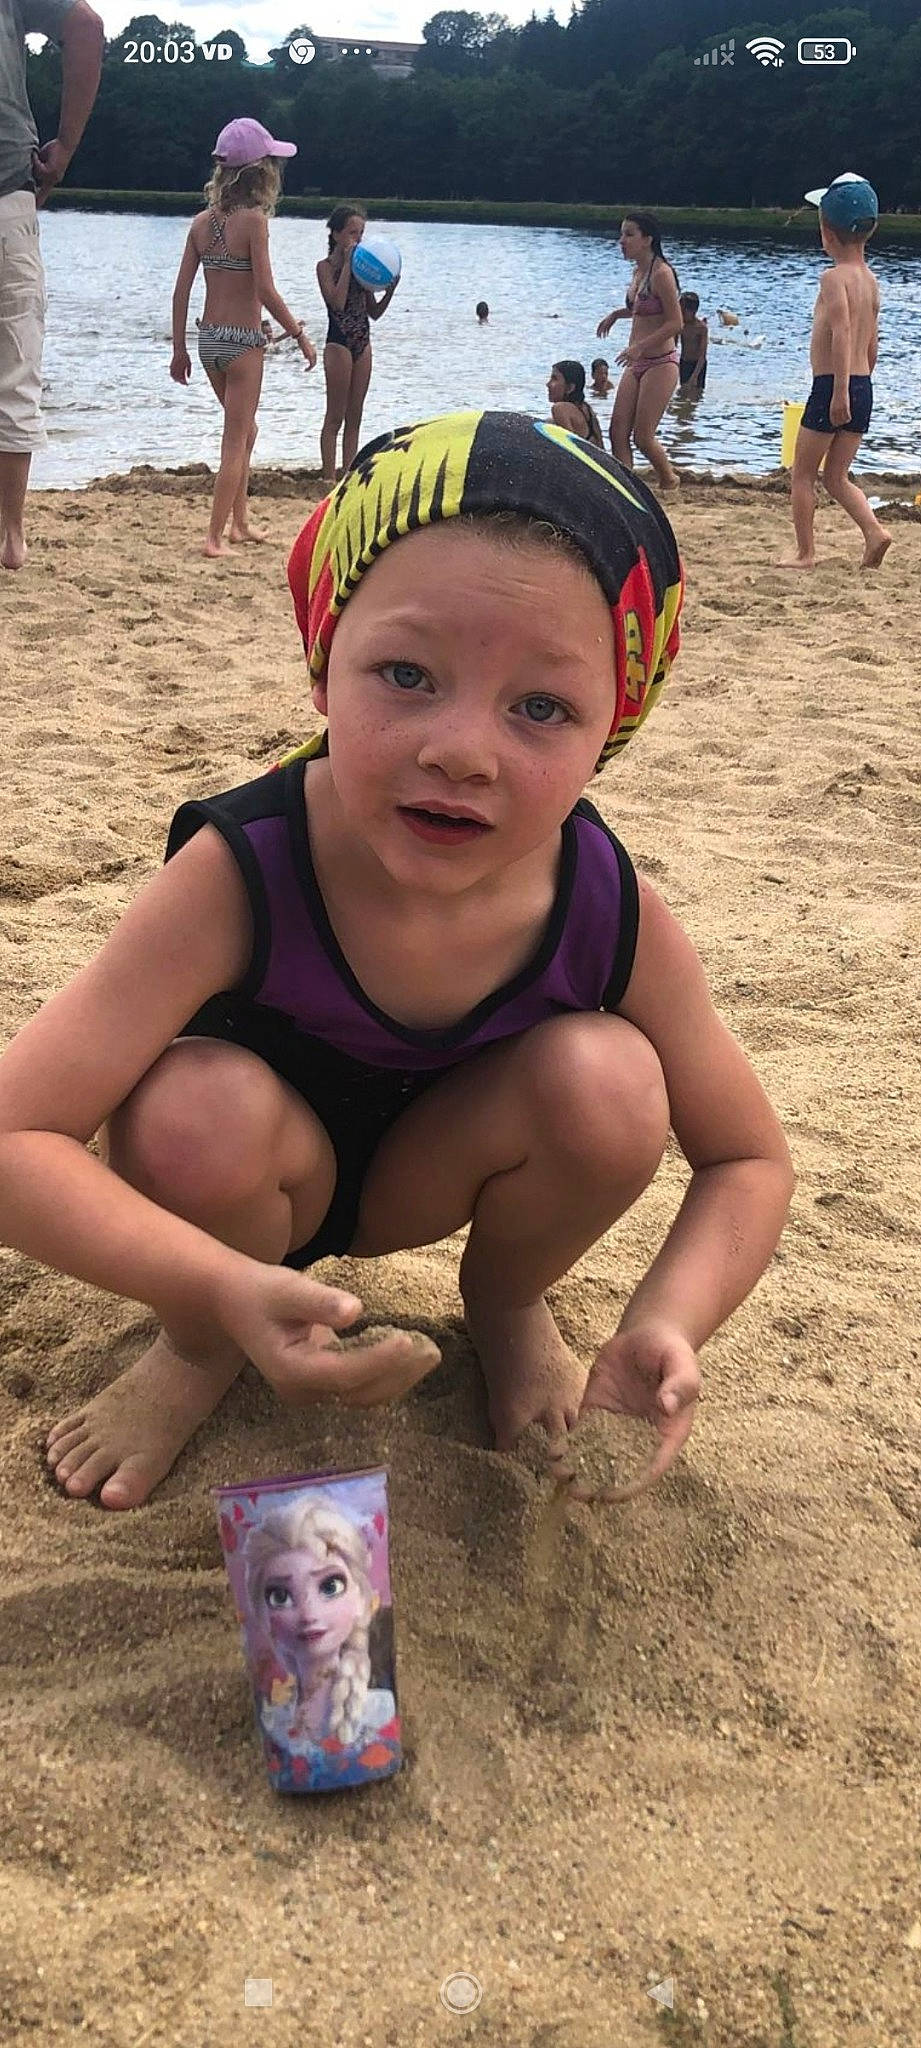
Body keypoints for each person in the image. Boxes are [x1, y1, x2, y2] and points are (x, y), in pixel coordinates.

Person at [0, 411, 794, 1513]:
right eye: (408, 673)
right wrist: (216, 1289)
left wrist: (666, 1317)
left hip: (445, 1167)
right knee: (192, 1110)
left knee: (614, 1083)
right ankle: (195, 1349)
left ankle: (509, 1304)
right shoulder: (245, 869)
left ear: (614, 725)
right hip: (250, 1184)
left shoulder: (607, 907)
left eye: (541, 707)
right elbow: (14, 1135)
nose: (461, 748)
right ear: (325, 665)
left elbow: (749, 1160)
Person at [170, 117, 317, 560]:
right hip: (242, 342)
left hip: (209, 339)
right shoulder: (254, 221)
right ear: (260, 172)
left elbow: (181, 291)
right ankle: (214, 538)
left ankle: (240, 524)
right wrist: (299, 335)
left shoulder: (200, 222)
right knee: (235, 440)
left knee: (245, 431)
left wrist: (179, 349)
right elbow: (266, 290)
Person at [0, 0, 102, 571]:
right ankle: (10, 537)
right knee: (15, 375)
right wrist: (63, 146)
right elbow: (85, 24)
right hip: (6, 197)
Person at [779, 174, 891, 572]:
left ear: (826, 231)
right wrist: (860, 387)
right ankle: (875, 532)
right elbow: (871, 341)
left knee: (803, 474)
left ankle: (806, 553)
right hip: (863, 384)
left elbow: (841, 333)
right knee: (838, 476)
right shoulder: (870, 280)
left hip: (833, 386)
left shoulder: (833, 278)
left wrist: (839, 391)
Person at [245, 1498, 397, 1750]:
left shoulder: (381, 1711)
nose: (308, 1614)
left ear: (360, 1597)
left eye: (330, 1586)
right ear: (261, 1613)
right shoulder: (274, 1721)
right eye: (280, 1597)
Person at [596, 212, 682, 491]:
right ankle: (627, 488)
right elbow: (642, 310)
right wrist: (616, 314)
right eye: (622, 234)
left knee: (643, 437)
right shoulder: (637, 272)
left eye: (629, 234)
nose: (622, 241)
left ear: (647, 239)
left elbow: (675, 322)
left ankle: (669, 481)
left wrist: (640, 347)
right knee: (617, 431)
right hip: (636, 362)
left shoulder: (662, 273)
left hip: (660, 362)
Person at [316, 204, 398, 488]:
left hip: (362, 340)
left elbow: (373, 312)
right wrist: (349, 264)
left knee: (356, 413)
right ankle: (328, 477)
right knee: (335, 415)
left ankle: (348, 475)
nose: (358, 239)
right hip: (338, 342)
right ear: (337, 234)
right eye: (352, 232)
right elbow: (336, 302)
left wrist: (390, 291)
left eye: (361, 233)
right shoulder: (325, 268)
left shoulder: (364, 271)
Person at [546, 360, 605, 447]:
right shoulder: (587, 409)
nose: (548, 384)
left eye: (554, 379)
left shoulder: (559, 408)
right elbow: (601, 447)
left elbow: (569, 448)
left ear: (570, 388)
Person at [677, 293, 708, 396]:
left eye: (682, 310)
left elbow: (702, 356)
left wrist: (694, 377)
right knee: (683, 392)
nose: (679, 313)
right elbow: (673, 345)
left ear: (692, 311)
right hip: (684, 362)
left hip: (698, 365)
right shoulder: (680, 325)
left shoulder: (701, 328)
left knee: (696, 393)